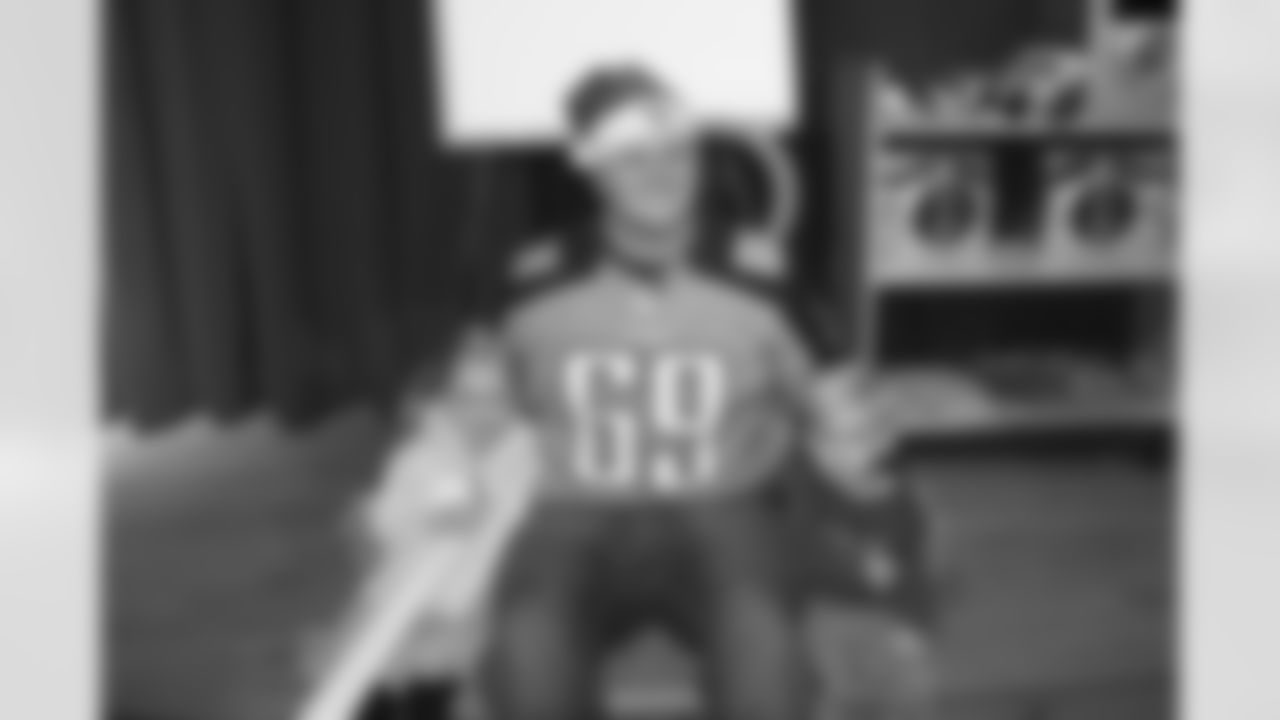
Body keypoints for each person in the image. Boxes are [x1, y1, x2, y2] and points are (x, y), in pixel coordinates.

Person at [478, 64, 817, 720]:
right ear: (590, 167)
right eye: (632, 156)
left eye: (677, 151)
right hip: (571, 511)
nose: (661, 172)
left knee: (765, 645)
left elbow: (823, 400)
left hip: (724, 504)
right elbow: (486, 401)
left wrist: (844, 436)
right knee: (527, 647)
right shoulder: (530, 282)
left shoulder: (765, 276)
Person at [793, 370, 943, 720]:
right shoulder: (805, 494)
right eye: (822, 439)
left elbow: (914, 569)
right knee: (827, 692)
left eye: (853, 439)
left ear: (882, 441)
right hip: (821, 617)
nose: (834, 453)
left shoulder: (901, 502)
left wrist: (915, 626)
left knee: (909, 688)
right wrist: (854, 561)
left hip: (883, 621)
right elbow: (797, 554)